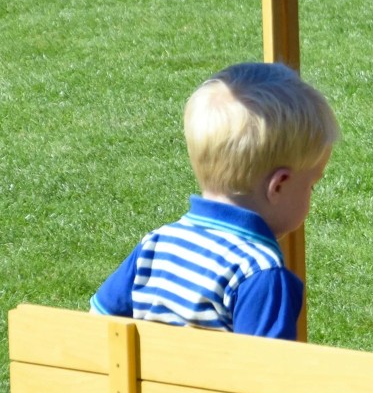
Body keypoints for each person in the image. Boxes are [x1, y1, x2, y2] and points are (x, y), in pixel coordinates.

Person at [90, 61, 337, 340]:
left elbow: (98, 325)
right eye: (312, 185)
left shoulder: (157, 244)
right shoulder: (259, 272)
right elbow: (267, 377)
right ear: (278, 185)